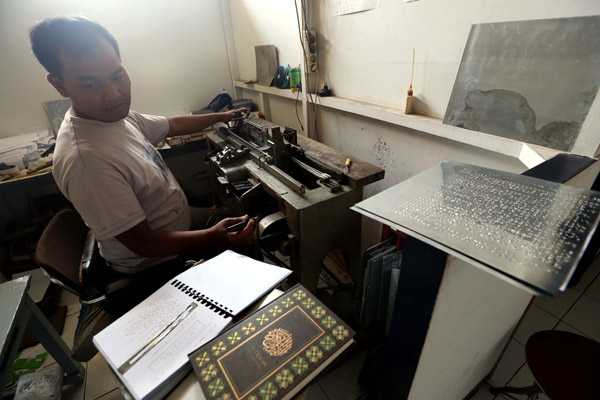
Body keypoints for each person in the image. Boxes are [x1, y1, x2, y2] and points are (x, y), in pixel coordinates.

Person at [29, 16, 255, 279]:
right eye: (90, 84)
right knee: (249, 248)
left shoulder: (113, 117)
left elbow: (171, 124)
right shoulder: (87, 162)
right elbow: (143, 244)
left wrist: (222, 116)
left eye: (117, 75)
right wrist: (212, 237)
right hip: (156, 264)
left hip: (180, 223)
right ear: (59, 85)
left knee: (246, 218)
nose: (114, 94)